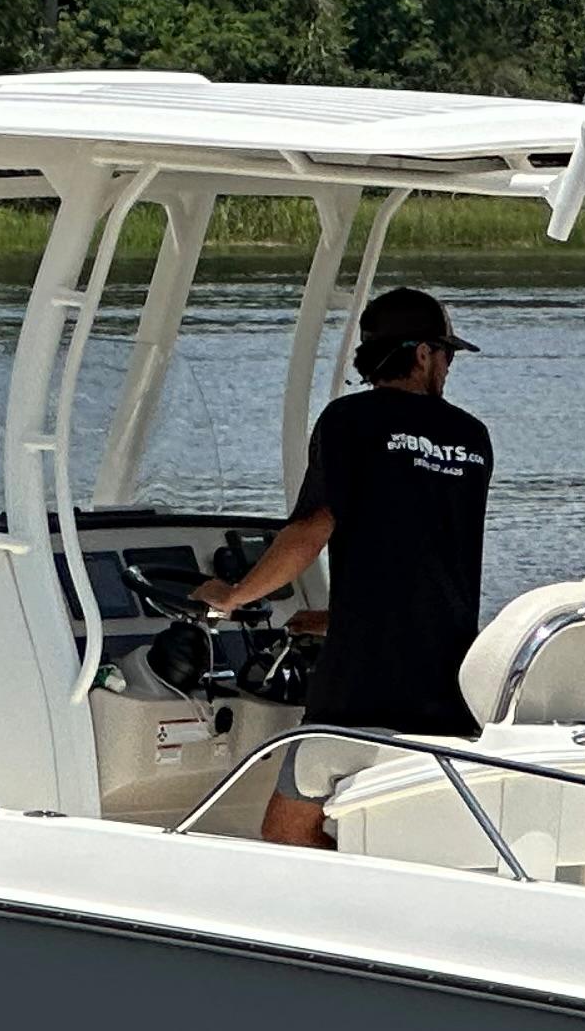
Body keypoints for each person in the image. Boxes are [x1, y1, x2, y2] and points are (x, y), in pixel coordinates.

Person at [197, 285, 492, 847]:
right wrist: (337, 616)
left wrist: (233, 595)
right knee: (402, 829)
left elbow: (309, 533)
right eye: (448, 353)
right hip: (450, 688)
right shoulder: (472, 439)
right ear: (424, 353)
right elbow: (424, 557)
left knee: (287, 832)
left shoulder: (350, 421)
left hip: (362, 689)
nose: (449, 365)